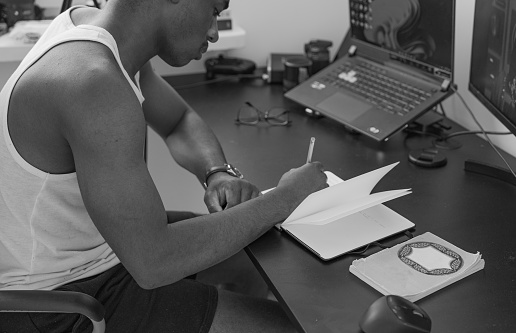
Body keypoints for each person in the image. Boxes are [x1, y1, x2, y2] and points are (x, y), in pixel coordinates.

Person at [0, 0, 328, 332]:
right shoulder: (91, 82)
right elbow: (154, 262)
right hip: (62, 300)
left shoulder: (97, 31)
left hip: (104, 253)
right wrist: (286, 197)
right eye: (214, 10)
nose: (214, 31)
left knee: (255, 262)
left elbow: (178, 121)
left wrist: (216, 173)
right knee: (299, 326)